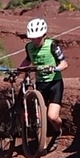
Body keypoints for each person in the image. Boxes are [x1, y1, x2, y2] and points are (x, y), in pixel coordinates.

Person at [19, 17, 68, 149]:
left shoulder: (52, 45)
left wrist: (55, 68)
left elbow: (64, 63)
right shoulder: (29, 47)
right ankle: (42, 146)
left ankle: (58, 131)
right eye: (32, 38)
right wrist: (19, 69)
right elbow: (27, 60)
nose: (35, 41)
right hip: (40, 84)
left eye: (38, 38)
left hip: (54, 83)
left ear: (44, 35)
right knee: (39, 117)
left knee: (52, 116)